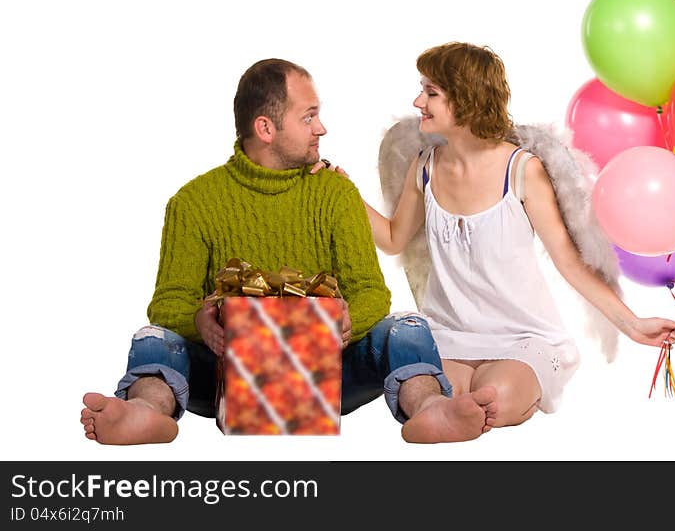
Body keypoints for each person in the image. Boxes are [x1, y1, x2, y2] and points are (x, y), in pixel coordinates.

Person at [80, 58, 497, 446]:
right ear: (266, 128)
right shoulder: (193, 203)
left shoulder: (335, 193)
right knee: (153, 339)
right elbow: (167, 302)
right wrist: (204, 324)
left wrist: (345, 324)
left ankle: (428, 407)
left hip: (325, 373)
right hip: (229, 375)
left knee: (407, 325)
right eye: (308, 116)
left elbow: (371, 291)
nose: (322, 129)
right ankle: (147, 410)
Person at [321, 42, 675, 443]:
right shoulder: (424, 167)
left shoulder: (522, 171)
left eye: (431, 92)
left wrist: (633, 325)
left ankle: (474, 409)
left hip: (521, 338)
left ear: (466, 101)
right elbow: (392, 238)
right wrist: (345, 189)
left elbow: (569, 262)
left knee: (494, 396)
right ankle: (444, 413)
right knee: (427, 391)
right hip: (448, 334)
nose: (417, 101)